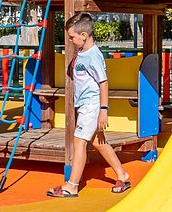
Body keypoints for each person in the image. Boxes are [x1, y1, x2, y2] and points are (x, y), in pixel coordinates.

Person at [47, 13, 131, 198]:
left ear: (83, 35)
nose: (70, 41)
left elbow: (103, 82)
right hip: (85, 104)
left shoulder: (93, 56)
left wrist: (103, 110)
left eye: (72, 37)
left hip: (91, 105)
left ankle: (72, 186)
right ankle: (122, 175)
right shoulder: (82, 52)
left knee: (79, 142)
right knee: (98, 142)